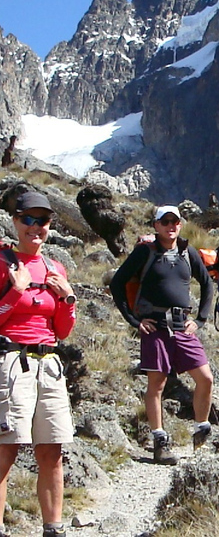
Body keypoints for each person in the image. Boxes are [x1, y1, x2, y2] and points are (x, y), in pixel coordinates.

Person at [110, 205, 214, 463]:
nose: (171, 226)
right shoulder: (145, 252)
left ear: (180, 224)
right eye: (165, 221)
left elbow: (207, 283)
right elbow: (117, 283)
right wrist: (134, 320)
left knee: (205, 378)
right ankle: (160, 441)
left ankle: (201, 430)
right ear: (156, 225)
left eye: (175, 221)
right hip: (155, 326)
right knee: (157, 384)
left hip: (182, 325)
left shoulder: (187, 252)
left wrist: (200, 320)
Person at [0, 191, 77, 537]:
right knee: (5, 449)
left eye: (42, 220)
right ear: (15, 221)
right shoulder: (3, 263)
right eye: (27, 219)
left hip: (48, 364)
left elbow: (62, 330)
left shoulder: (54, 268)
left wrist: (68, 298)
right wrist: (15, 291)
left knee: (52, 451)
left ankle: (53, 528)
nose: (35, 227)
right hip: (11, 362)